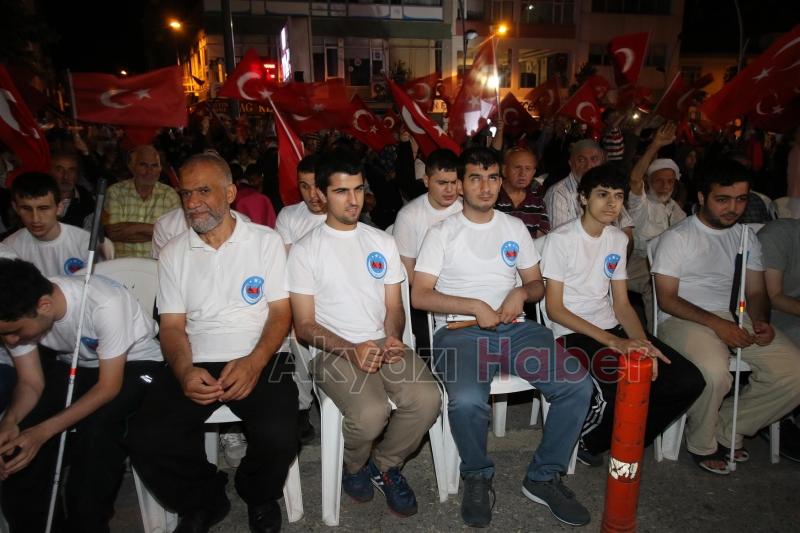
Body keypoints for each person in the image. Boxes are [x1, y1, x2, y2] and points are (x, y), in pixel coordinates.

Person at [411, 147, 593, 528]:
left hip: (516, 329)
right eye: (475, 178)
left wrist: (521, 293)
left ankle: (543, 476)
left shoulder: (513, 228)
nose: (485, 186)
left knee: (577, 384)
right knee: (466, 400)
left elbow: (536, 284)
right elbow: (420, 295)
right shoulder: (442, 233)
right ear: (461, 185)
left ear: (500, 180)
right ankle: (477, 475)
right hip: (460, 333)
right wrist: (473, 305)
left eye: (492, 177)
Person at [127, 153, 297, 533]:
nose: (193, 203)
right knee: (146, 438)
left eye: (204, 191)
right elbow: (172, 326)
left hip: (263, 351)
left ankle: (258, 492)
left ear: (230, 193)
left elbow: (280, 313)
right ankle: (203, 499)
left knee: (282, 433)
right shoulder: (174, 252)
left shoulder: (265, 242)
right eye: (186, 193)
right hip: (197, 355)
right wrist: (184, 370)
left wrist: (254, 361)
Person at [287, 149, 440, 519]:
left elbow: (394, 306)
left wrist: (393, 336)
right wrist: (351, 349)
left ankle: (384, 465)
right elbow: (304, 325)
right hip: (332, 350)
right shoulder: (305, 251)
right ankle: (354, 466)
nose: (353, 199)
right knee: (371, 414)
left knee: (427, 399)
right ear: (321, 194)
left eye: (358, 189)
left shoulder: (381, 242)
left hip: (381, 341)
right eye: (342, 191)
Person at [541, 163, 704, 466]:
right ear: (583, 198)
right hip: (571, 333)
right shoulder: (560, 240)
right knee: (619, 381)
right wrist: (615, 343)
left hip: (610, 327)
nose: (612, 203)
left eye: (618, 196)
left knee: (687, 380)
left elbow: (622, 304)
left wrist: (643, 345)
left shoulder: (617, 239)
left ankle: (629, 436)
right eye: (602, 194)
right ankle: (590, 440)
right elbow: (555, 309)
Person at [652, 159, 800, 475]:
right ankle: (702, 441)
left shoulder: (746, 237)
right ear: (702, 197)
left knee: (794, 371)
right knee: (715, 372)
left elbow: (757, 292)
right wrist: (718, 325)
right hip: (683, 317)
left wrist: (761, 321)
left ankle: (729, 427)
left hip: (737, 313)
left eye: (741, 199)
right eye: (723, 199)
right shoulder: (678, 237)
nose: (733, 208)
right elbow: (667, 299)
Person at [0, 258, 163, 532]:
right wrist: (10, 420)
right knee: (20, 435)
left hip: (137, 364)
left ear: (44, 305)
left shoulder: (104, 303)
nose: (11, 341)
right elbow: (30, 383)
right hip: (77, 364)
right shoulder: (18, 312)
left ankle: (87, 523)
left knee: (97, 430)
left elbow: (108, 387)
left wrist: (42, 433)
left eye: (15, 332)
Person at [274, 155, 327, 444]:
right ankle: (301, 407)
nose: (311, 194)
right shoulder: (289, 216)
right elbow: (284, 267)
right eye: (304, 186)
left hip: (335, 301)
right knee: (295, 333)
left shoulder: (344, 213)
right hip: (300, 298)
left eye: (317, 185)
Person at [626, 123, 686, 329]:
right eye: (659, 181)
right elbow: (634, 179)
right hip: (638, 260)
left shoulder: (675, 209)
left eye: (670, 181)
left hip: (666, 261)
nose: (665, 186)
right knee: (655, 282)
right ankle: (657, 334)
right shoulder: (641, 204)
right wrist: (655, 145)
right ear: (649, 181)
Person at [543, 140, 634, 251]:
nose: (589, 165)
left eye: (594, 159)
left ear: (602, 161)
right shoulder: (558, 193)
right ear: (571, 163)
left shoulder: (611, 189)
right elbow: (561, 241)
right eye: (581, 160)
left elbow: (627, 232)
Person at [3, 172, 95, 276]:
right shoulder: (9, 247)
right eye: (27, 209)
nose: (35, 219)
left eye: (43, 208)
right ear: (15, 208)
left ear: (60, 207)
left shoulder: (85, 243)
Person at [393, 148, 462, 285]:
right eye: (442, 183)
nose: (449, 189)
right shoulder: (408, 216)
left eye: (453, 182)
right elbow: (407, 274)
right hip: (428, 290)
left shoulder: (467, 208)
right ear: (426, 180)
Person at [103, 145, 180, 258]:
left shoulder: (170, 195)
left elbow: (175, 235)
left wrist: (134, 228)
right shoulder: (115, 192)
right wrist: (158, 231)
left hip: (156, 265)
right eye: (143, 165)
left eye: (154, 166)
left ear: (160, 169)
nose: (149, 171)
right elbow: (113, 233)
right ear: (132, 167)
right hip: (121, 264)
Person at [495, 146, 549, 238]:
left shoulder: (537, 201)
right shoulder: (492, 196)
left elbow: (542, 237)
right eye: (517, 167)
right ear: (504, 170)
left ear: (533, 173)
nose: (522, 174)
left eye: (528, 168)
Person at [50, 148, 96, 229]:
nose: (65, 176)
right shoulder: (38, 197)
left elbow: (89, 234)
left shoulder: (88, 201)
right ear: (49, 171)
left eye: (71, 170)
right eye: (59, 170)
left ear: (77, 173)